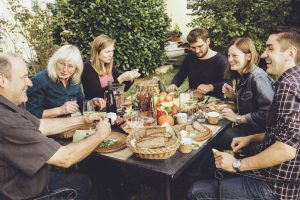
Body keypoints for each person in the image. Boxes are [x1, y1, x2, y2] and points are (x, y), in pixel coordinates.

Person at [187, 26, 300, 200]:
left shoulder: (287, 86)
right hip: (270, 171)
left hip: (276, 186)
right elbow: (283, 133)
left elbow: (286, 150)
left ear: (290, 53)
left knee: (196, 191)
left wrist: (237, 164)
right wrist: (251, 138)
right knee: (213, 166)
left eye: (270, 48)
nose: (262, 54)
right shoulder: (292, 80)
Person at [0, 52, 112, 200]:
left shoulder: (9, 105)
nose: (29, 82)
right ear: (2, 80)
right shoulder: (7, 120)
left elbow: (41, 125)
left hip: (30, 178)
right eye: (24, 77)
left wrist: (83, 120)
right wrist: (100, 135)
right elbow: (65, 158)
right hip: (23, 192)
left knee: (83, 179)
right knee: (83, 183)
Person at [215, 37, 274, 151]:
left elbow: (268, 113)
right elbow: (251, 104)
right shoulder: (244, 75)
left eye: (235, 55)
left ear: (248, 56)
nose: (230, 59)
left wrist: (238, 118)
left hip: (260, 133)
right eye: (229, 55)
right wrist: (233, 96)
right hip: (249, 128)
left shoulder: (257, 77)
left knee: (216, 138)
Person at [27, 45, 106, 119]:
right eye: (62, 64)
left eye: (70, 66)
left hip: (67, 126)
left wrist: (92, 103)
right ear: (55, 62)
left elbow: (81, 105)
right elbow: (31, 113)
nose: (65, 70)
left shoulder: (74, 81)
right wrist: (60, 110)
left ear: (76, 68)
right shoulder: (39, 80)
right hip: (45, 130)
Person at [168, 27, 228, 99]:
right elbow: (180, 75)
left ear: (208, 41)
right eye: (193, 47)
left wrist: (210, 87)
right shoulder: (190, 58)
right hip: (193, 97)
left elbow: (228, 84)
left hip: (215, 100)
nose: (197, 51)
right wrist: (174, 84)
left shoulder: (221, 60)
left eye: (200, 46)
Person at [81, 34, 140, 100]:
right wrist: (120, 79)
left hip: (113, 106)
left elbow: (122, 89)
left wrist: (130, 78)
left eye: (112, 51)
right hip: (97, 109)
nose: (111, 55)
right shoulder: (87, 68)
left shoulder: (107, 65)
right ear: (97, 52)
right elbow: (96, 95)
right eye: (107, 52)